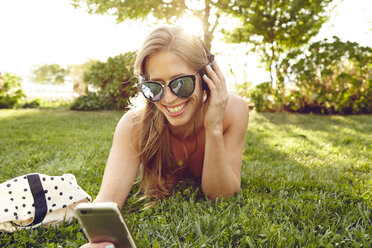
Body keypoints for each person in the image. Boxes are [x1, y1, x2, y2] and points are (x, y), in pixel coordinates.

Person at [80, 25, 249, 248]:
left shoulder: (233, 111)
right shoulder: (133, 125)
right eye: (154, 87)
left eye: (181, 83)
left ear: (206, 77)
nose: (168, 99)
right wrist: (99, 242)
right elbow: (107, 201)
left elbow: (221, 196)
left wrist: (214, 127)